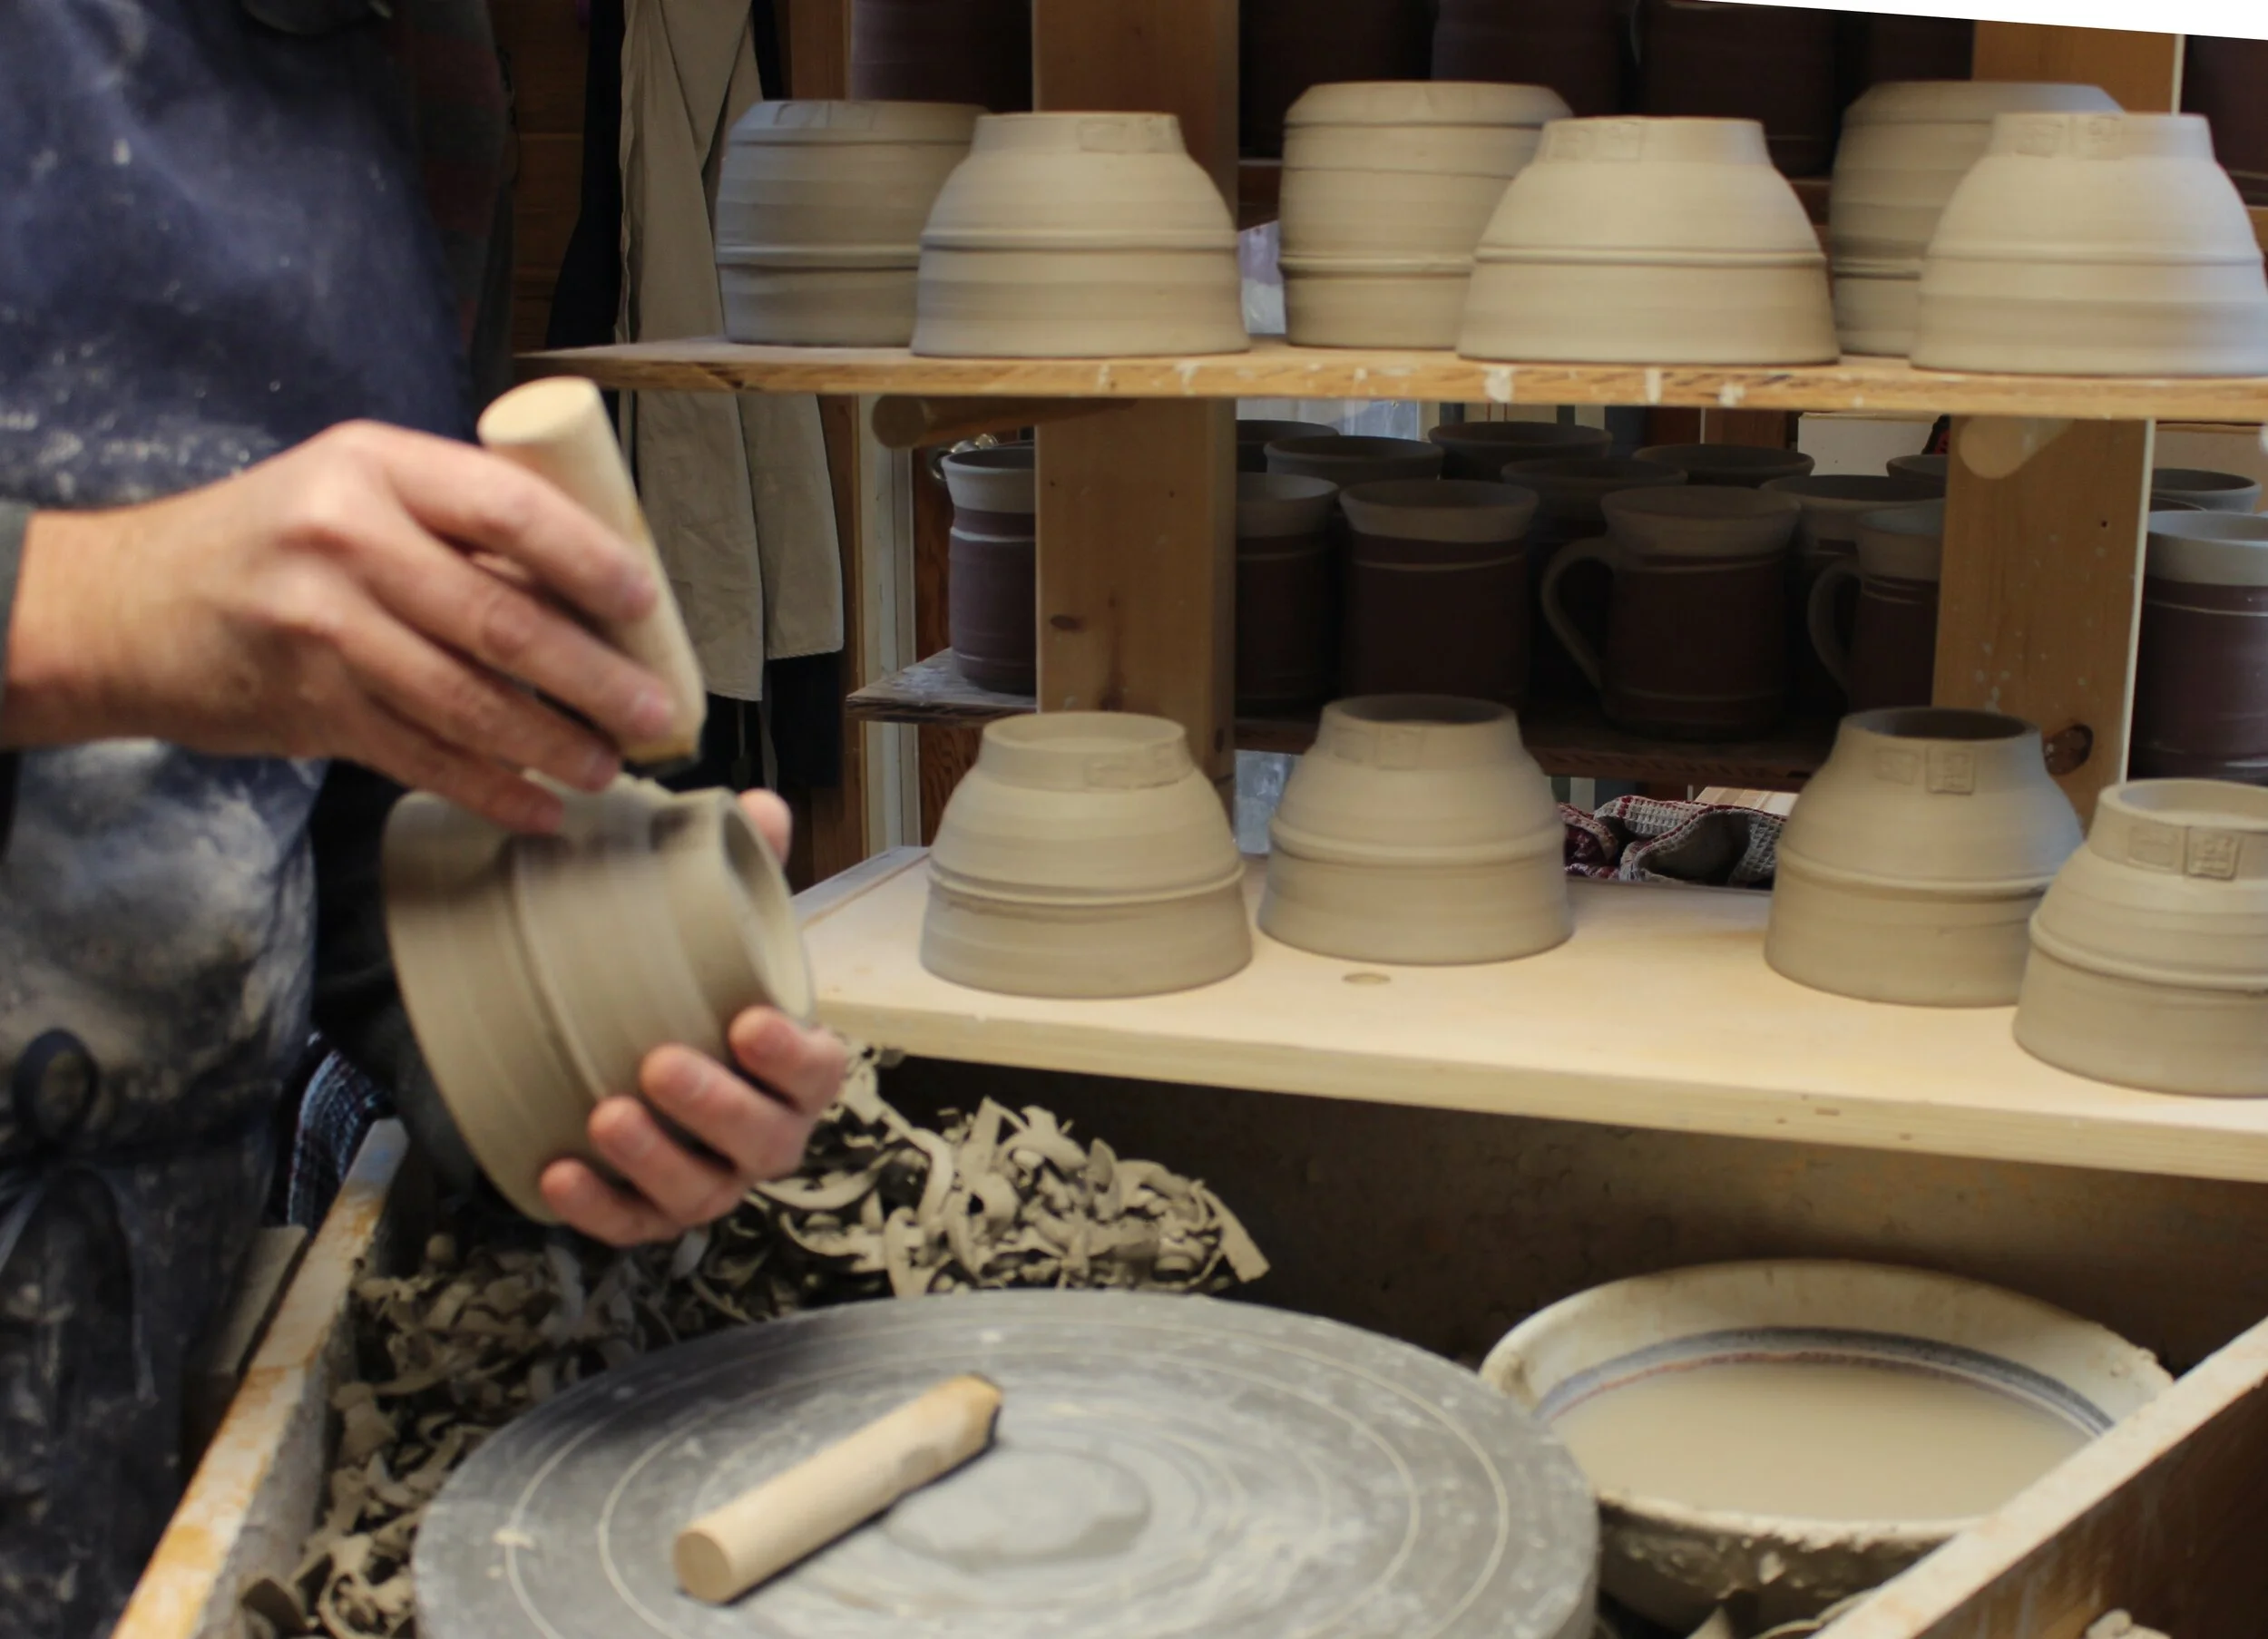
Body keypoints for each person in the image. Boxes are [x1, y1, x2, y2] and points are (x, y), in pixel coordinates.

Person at [0, 5, 846, 1634]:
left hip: (123, 1358)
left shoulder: (424, 71)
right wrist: (92, 606)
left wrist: (593, 1051)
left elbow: (346, 817)